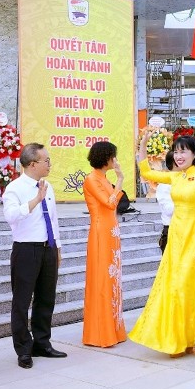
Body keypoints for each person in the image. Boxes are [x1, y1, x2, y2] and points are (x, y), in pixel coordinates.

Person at [130, 133, 195, 357]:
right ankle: (179, 337)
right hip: (176, 238)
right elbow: (146, 172)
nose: (179, 156)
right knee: (175, 287)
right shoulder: (175, 177)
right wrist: (143, 145)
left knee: (192, 286)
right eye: (176, 151)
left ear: (194, 154)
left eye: (184, 151)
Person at [2, 143, 66, 369]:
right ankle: (23, 349)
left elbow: (53, 219)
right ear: (32, 164)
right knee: (22, 301)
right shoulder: (15, 188)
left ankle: (42, 343)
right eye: (46, 160)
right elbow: (11, 216)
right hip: (26, 249)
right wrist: (35, 200)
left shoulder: (48, 186)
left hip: (48, 248)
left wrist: (57, 247)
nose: (49, 164)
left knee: (46, 298)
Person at [82, 141, 127, 348]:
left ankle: (113, 328)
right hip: (100, 233)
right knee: (102, 278)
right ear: (105, 157)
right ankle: (101, 333)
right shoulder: (91, 179)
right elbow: (110, 203)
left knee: (112, 279)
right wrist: (120, 179)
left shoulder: (102, 178)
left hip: (111, 231)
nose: (115, 160)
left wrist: (116, 181)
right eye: (112, 156)